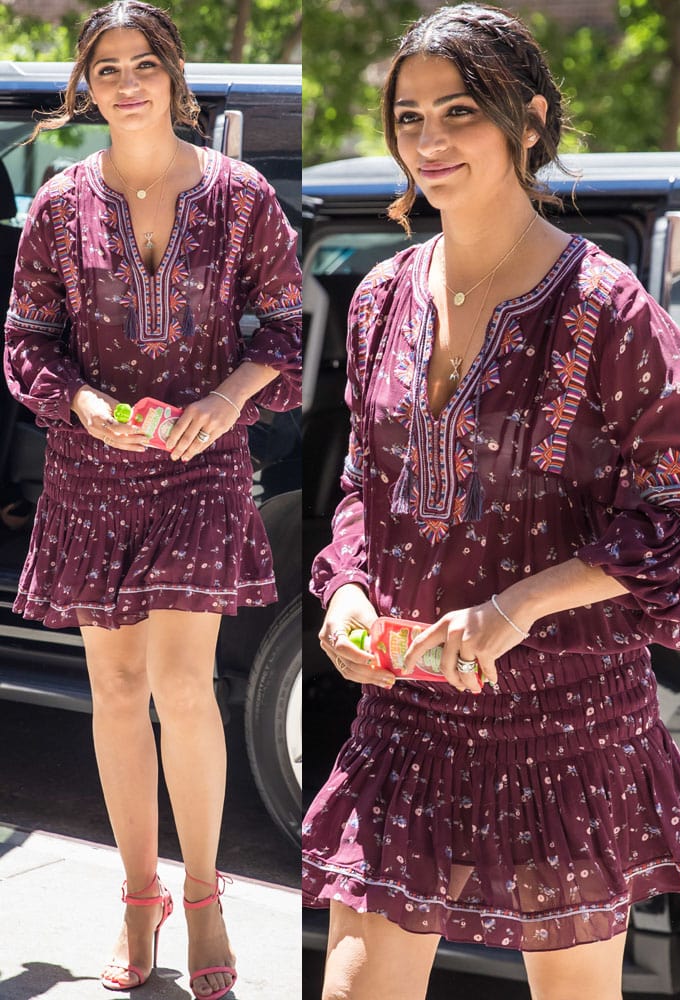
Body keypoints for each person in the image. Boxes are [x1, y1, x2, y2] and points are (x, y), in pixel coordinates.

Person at [301, 5, 680, 999]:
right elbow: (365, 479)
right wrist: (345, 591)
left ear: (526, 120)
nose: (428, 143)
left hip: (565, 728)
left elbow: (679, 507)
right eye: (407, 118)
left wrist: (515, 606)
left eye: (458, 113)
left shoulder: (607, 307)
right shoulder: (380, 295)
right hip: (408, 715)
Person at [3, 2, 301, 998]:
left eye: (145, 62)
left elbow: (286, 335)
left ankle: (207, 893)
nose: (127, 81)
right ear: (86, 86)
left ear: (174, 75)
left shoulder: (244, 195)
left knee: (183, 687)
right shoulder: (55, 203)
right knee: (118, 692)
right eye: (107, 67)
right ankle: (140, 896)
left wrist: (223, 400)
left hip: (201, 466)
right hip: (92, 474)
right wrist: (86, 404)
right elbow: (26, 344)